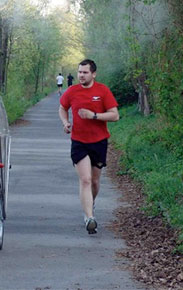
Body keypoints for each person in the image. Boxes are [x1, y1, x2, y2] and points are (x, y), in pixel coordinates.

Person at [58, 59, 119, 234]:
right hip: (79, 142)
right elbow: (62, 108)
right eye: (79, 72)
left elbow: (115, 116)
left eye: (85, 72)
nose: (81, 75)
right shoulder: (72, 91)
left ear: (93, 74)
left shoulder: (102, 91)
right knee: (85, 179)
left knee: (94, 181)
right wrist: (65, 122)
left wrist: (93, 116)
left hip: (99, 141)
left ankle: (90, 204)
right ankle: (89, 218)